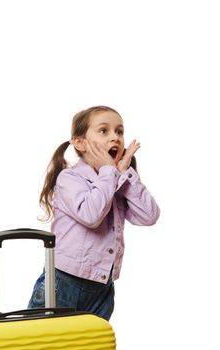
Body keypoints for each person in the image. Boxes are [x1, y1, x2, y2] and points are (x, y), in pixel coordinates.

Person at [28, 105, 160, 321]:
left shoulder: (116, 181)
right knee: (44, 340)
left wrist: (126, 174)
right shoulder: (70, 179)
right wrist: (109, 172)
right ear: (80, 142)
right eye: (103, 131)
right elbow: (91, 215)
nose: (115, 138)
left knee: (92, 341)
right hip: (63, 282)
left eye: (119, 132)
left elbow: (149, 215)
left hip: (102, 285)